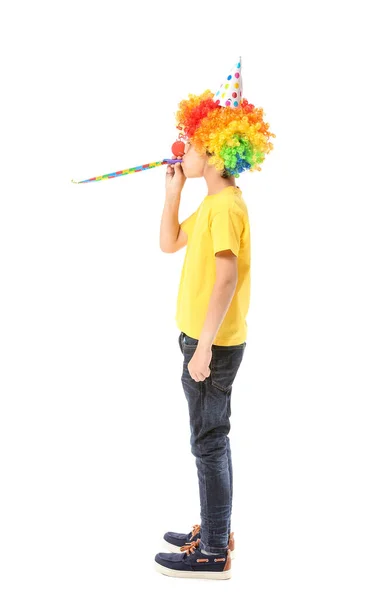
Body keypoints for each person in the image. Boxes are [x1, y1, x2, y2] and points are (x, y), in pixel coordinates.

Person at [154, 57, 275, 580]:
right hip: (199, 340)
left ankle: (212, 553)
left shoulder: (227, 209)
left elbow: (225, 280)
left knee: (208, 440)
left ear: (221, 149)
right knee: (210, 437)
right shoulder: (210, 204)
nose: (187, 148)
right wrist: (174, 192)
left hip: (213, 345)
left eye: (196, 143)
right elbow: (168, 244)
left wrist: (203, 346)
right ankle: (216, 526)